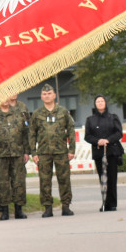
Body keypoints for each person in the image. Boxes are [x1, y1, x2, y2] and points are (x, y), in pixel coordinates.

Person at [29, 83, 75, 217]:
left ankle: (66, 206)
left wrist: (71, 149)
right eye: (44, 94)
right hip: (43, 152)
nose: (47, 96)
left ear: (54, 95)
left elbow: (71, 131)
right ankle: (47, 207)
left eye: (49, 94)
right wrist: (34, 152)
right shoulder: (37, 114)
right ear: (41, 97)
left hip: (61, 151)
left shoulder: (63, 112)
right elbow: (32, 134)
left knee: (64, 179)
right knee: (44, 180)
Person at [0, 97, 30, 221]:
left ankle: (19, 209)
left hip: (17, 153)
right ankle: (4, 210)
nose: (5, 99)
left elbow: (25, 133)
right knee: (3, 183)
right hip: (0, 154)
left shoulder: (18, 112)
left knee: (19, 182)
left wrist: (27, 152)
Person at [84, 95, 124, 212]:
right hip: (98, 152)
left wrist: (108, 140)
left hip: (111, 151)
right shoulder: (90, 120)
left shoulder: (113, 117)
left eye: (102, 101)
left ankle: (112, 204)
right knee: (102, 178)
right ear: (95, 104)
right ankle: (104, 202)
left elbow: (119, 133)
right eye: (98, 101)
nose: (100, 103)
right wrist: (98, 141)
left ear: (105, 103)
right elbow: (87, 136)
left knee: (112, 178)